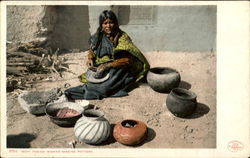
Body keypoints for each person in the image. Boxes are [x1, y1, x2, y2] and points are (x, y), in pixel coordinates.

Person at [64, 10, 150, 100]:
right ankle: (77, 91)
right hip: (102, 67)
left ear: (115, 23)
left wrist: (108, 65)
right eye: (105, 23)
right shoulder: (98, 36)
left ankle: (82, 93)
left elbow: (127, 60)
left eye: (111, 22)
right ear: (101, 25)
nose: (108, 26)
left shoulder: (122, 38)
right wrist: (90, 59)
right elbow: (92, 50)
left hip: (119, 68)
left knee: (104, 88)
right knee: (94, 80)